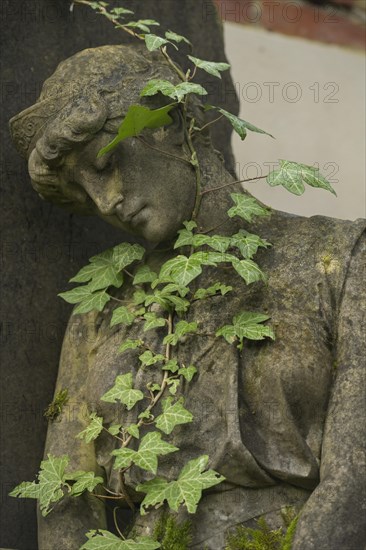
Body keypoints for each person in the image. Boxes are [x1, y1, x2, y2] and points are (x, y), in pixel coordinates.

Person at [10, 45, 365, 550]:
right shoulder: (103, 305)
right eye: (82, 191)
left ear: (170, 121)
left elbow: (353, 485)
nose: (104, 201)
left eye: (106, 163)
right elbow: (64, 504)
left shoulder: (341, 259)